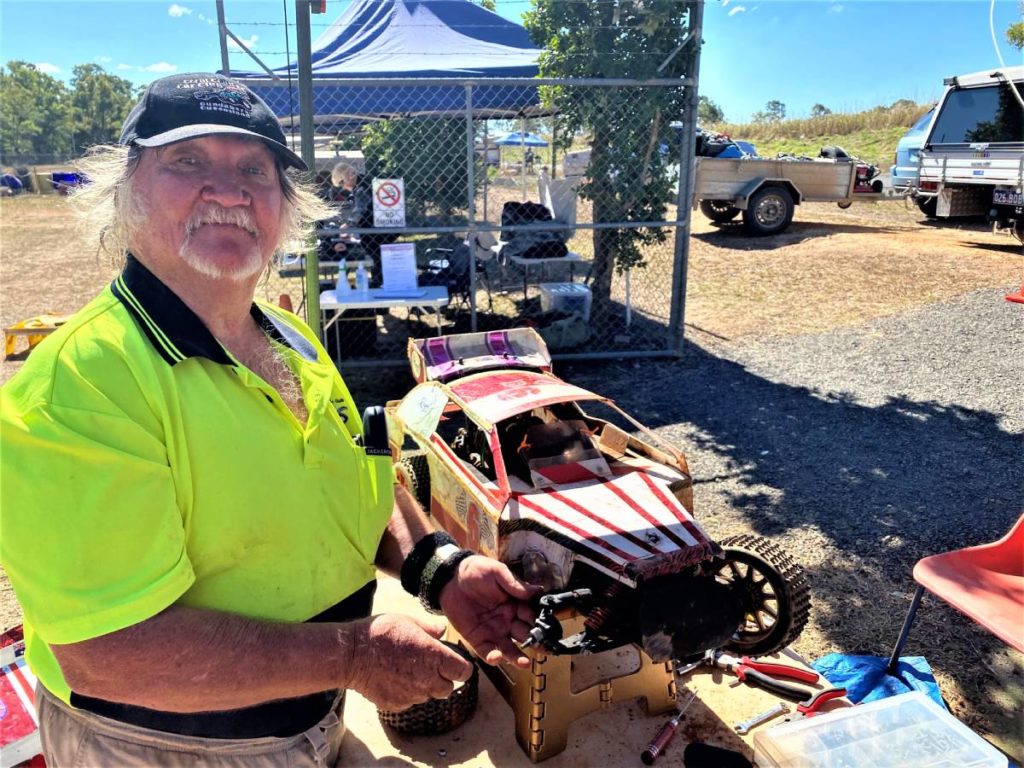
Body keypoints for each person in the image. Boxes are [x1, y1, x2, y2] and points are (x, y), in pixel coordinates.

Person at [0, 73, 537, 767]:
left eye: (255, 169)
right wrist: (354, 656)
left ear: (287, 207)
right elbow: (109, 653)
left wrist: (442, 571)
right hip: (165, 747)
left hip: (311, 711)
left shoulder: (291, 338)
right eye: (187, 161)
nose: (228, 191)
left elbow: (354, 483)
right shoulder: (80, 387)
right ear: (126, 191)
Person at [328, 161, 394, 287]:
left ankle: (379, 283)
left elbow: (361, 208)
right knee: (377, 256)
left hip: (377, 229)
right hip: (381, 227)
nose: (342, 188)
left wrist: (348, 224)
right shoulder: (365, 182)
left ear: (347, 176)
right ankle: (380, 281)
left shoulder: (362, 187)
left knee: (375, 254)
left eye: (341, 182)